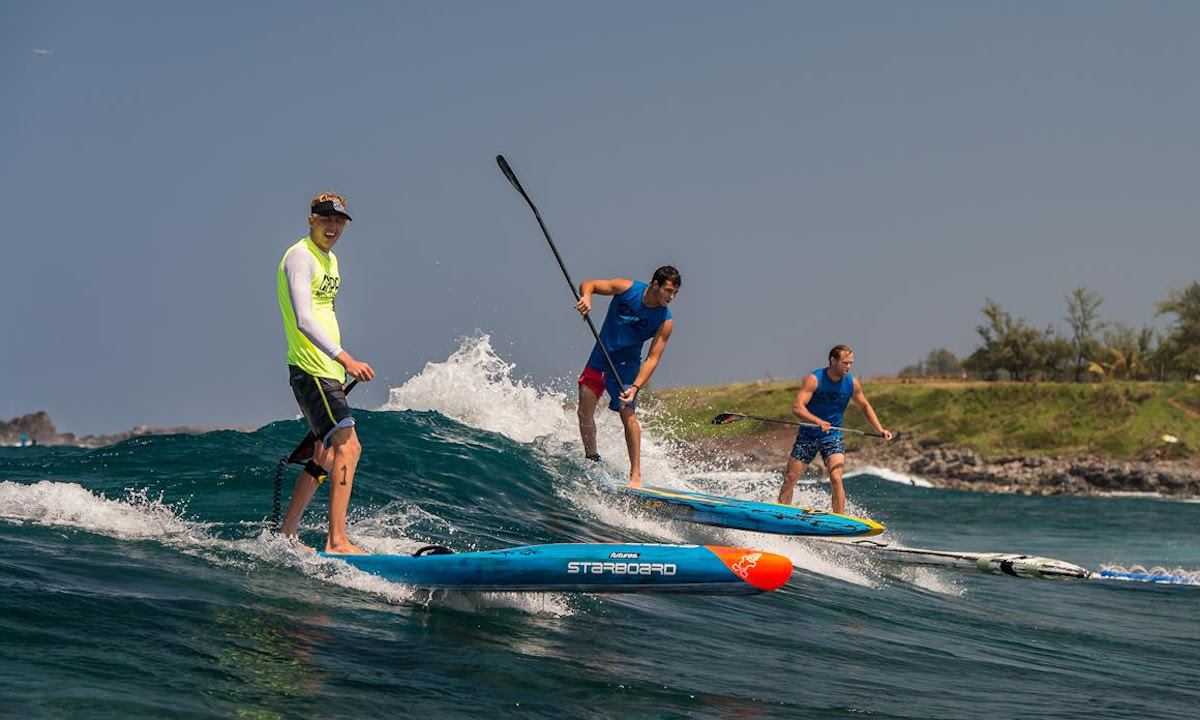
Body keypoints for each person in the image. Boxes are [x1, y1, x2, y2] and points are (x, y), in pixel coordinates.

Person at [276, 192, 375, 554]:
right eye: (325, 219)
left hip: (326, 370)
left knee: (325, 456)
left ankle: (287, 534)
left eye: (339, 222)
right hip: (312, 368)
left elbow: (325, 314)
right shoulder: (300, 258)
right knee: (349, 447)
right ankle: (337, 540)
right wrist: (345, 358)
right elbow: (304, 319)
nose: (332, 227)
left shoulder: (329, 261)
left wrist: (338, 366)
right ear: (311, 220)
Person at [575, 266, 680, 487]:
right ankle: (592, 459)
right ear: (655, 285)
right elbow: (590, 284)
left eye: (674, 293)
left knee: (627, 413)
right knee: (584, 411)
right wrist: (586, 298)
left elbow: (652, 358)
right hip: (600, 356)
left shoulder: (665, 321)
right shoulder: (627, 288)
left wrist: (636, 386)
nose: (670, 297)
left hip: (626, 367)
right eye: (667, 291)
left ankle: (636, 476)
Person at [777, 345, 893, 514]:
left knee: (836, 477)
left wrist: (880, 429)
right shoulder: (815, 379)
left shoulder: (852, 383)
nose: (849, 367)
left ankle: (838, 521)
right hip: (808, 434)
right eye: (845, 363)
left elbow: (865, 406)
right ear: (833, 361)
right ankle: (781, 514)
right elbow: (797, 408)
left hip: (833, 435)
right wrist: (818, 421)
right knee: (791, 478)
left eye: (851, 363)